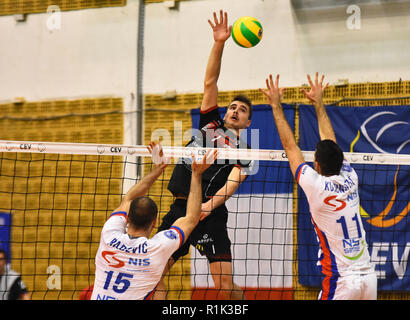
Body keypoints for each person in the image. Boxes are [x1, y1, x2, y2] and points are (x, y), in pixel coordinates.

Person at [154, 10, 254, 300]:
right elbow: (210, 82)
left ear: (248, 123)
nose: (235, 110)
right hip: (180, 210)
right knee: (154, 273)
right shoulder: (209, 123)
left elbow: (233, 182)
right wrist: (219, 43)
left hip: (211, 215)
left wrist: (207, 209)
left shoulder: (246, 149)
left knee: (224, 286)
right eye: (233, 107)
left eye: (242, 110)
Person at [259, 72, 377, 300]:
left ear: (317, 165)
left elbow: (289, 146)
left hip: (343, 280)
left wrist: (275, 106)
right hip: (368, 277)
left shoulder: (316, 185)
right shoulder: (351, 177)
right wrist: (319, 104)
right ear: (340, 161)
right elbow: (330, 142)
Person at [90, 142, 216, 300]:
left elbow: (128, 198)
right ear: (155, 222)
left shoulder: (109, 234)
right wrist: (196, 174)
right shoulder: (158, 247)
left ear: (127, 218)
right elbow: (191, 218)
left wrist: (157, 169)